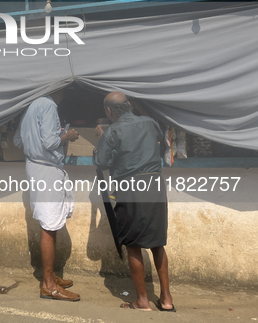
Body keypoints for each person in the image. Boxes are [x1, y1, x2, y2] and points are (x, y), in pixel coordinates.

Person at [93, 92, 175, 312]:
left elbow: (101, 162)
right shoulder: (150, 122)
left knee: (133, 245)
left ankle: (142, 301)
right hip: (155, 185)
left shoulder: (112, 131)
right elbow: (161, 147)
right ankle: (166, 300)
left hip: (131, 187)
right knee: (158, 243)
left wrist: (102, 136)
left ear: (109, 111)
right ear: (129, 106)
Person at [14, 90, 81, 301]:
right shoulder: (49, 105)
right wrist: (68, 136)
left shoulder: (30, 105)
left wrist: (35, 146)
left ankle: (50, 276)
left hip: (34, 167)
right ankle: (49, 285)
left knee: (49, 224)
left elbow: (18, 141)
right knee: (49, 227)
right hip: (46, 170)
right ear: (58, 88)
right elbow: (51, 143)